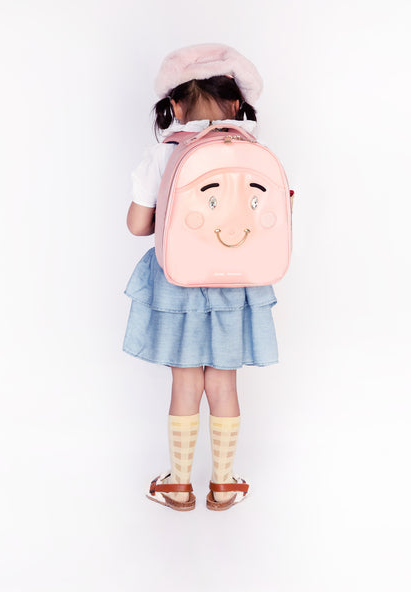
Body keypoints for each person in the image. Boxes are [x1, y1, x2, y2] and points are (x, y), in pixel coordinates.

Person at [123, 43, 279, 511]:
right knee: (224, 384)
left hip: (179, 282)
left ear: (174, 107)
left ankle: (178, 483)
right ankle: (225, 484)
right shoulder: (254, 152)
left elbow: (137, 225)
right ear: (237, 105)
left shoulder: (163, 153)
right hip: (239, 283)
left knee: (186, 383)